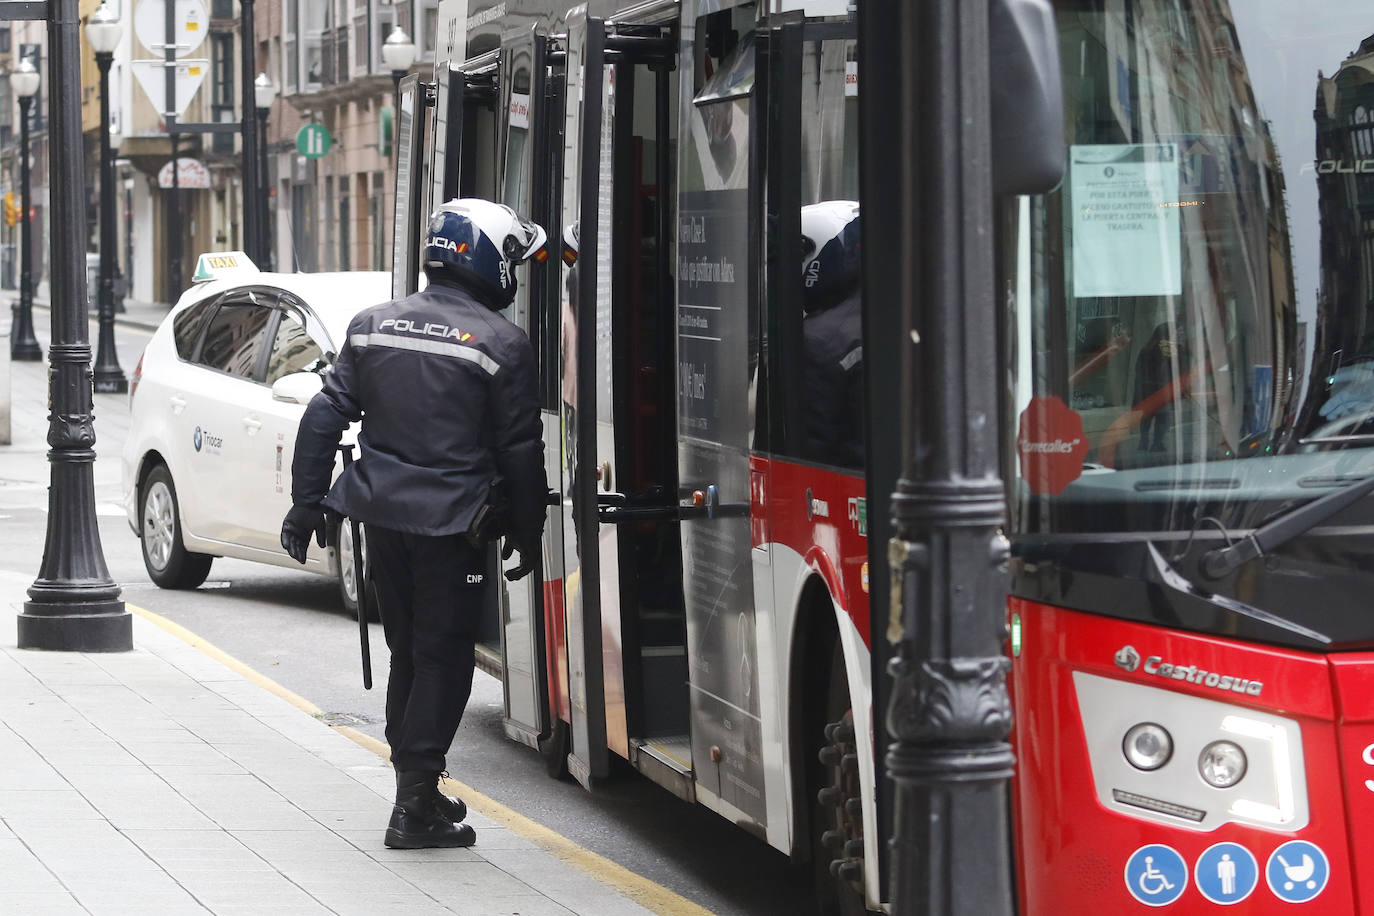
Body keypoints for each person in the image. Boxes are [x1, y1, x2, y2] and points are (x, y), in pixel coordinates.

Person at [280, 198, 549, 849]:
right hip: (451, 526)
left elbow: (324, 415)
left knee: (410, 652)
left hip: (380, 522)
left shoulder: (373, 325)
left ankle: (417, 791)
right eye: (512, 257)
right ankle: (414, 804)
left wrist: (306, 502)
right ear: (489, 261)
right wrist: (530, 529)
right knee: (445, 658)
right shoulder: (501, 344)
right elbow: (520, 451)